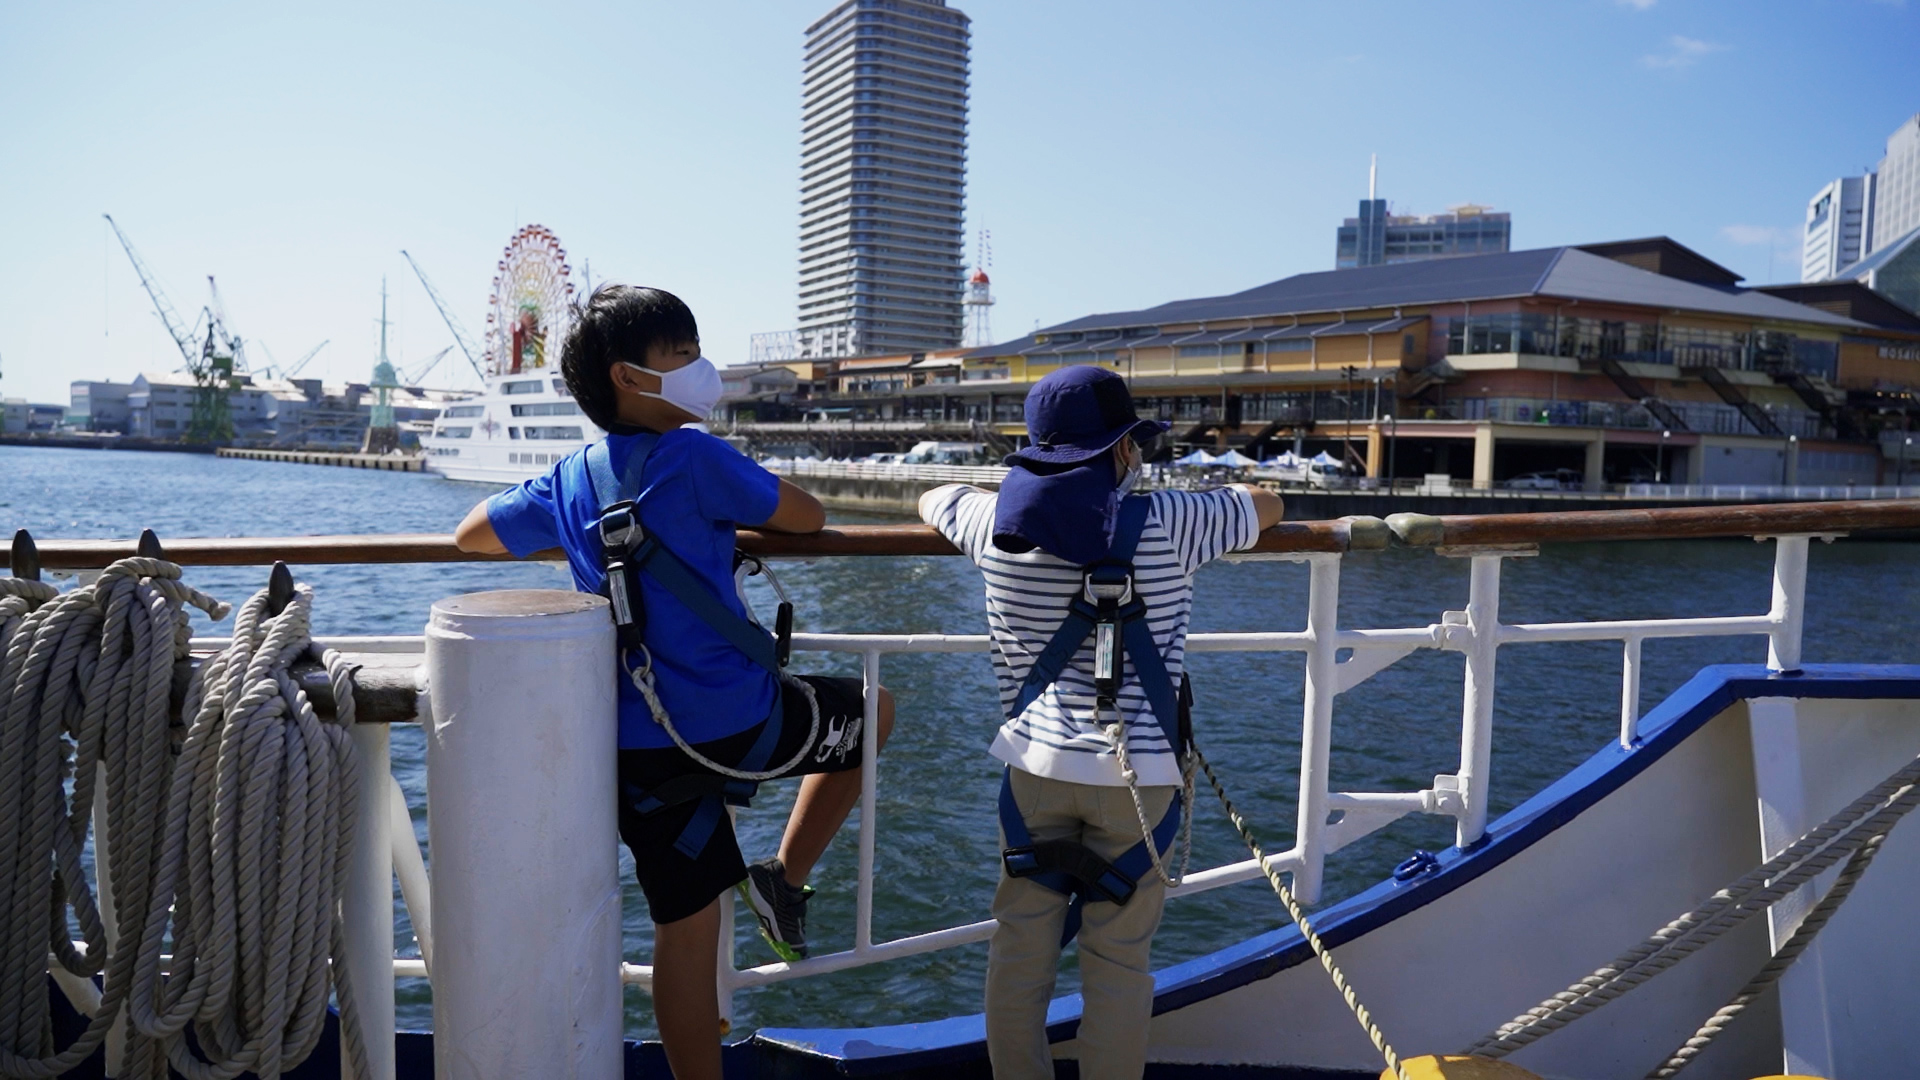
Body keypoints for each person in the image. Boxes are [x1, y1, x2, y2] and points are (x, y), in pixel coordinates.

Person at [453, 285, 893, 1080]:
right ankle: (784, 879)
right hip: (740, 723)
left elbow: (471, 534)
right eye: (683, 355)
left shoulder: (571, 475)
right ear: (631, 376)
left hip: (635, 750)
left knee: (684, 934)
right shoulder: (695, 456)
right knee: (876, 711)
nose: (701, 369)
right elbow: (808, 515)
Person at [919, 366, 1282, 1080]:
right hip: (1138, 780)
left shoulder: (992, 524)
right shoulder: (1175, 522)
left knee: (1020, 951)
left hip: (1035, 771)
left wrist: (992, 490)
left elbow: (930, 494)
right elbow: (1267, 502)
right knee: (1117, 962)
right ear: (1123, 451)